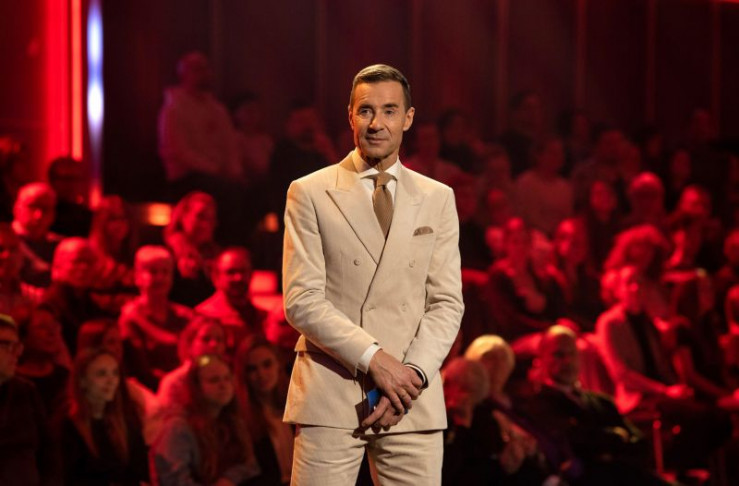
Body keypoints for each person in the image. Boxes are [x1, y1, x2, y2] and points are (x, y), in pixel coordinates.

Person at [282, 64, 464, 484]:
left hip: (412, 398)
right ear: (350, 116)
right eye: (366, 111)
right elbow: (301, 300)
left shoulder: (437, 197)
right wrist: (375, 360)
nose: (376, 123)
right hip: (330, 392)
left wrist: (412, 375)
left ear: (408, 118)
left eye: (389, 111)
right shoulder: (309, 191)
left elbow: (446, 303)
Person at [522, 325, 669, 486]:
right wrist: (617, 439)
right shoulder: (539, 404)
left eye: (572, 353)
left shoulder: (602, 402)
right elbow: (575, 441)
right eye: (559, 354)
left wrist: (608, 447)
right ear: (541, 358)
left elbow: (641, 444)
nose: (568, 361)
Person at [151, 353, 260, 485]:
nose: (223, 385)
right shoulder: (178, 428)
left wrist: (229, 478)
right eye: (214, 380)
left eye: (227, 378)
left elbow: (250, 464)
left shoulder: (231, 420)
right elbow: (175, 481)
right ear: (196, 387)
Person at [59, 348, 149, 485]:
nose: (111, 380)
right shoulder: (66, 426)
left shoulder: (126, 420)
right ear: (82, 380)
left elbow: (139, 472)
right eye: (101, 374)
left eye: (115, 373)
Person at [119, 246, 193, 390]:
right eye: (153, 271)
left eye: (165, 272)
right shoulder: (129, 318)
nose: (160, 278)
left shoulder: (185, 315)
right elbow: (140, 370)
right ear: (137, 276)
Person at [0, 315, 59, 486]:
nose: (16, 353)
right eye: (6, 345)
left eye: (17, 346)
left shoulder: (25, 391)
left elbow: (48, 455)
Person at [235, 336, 293, 485]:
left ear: (278, 364)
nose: (261, 374)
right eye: (252, 369)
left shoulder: (296, 402)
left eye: (267, 365)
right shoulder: (242, 417)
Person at [196, 247, 267, 355]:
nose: (238, 277)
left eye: (243, 271)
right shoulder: (203, 317)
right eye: (231, 272)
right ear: (216, 276)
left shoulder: (264, 318)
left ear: (251, 274)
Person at [164, 191, 219, 306]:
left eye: (210, 219)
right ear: (183, 216)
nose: (205, 224)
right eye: (200, 216)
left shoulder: (216, 255)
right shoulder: (166, 252)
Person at [12, 182, 62, 288]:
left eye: (45, 209)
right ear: (16, 208)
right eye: (32, 206)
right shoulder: (4, 242)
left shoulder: (61, 246)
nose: (38, 215)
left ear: (54, 213)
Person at [47, 156, 93, 237]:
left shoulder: (87, 216)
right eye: (66, 178)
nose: (72, 184)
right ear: (52, 180)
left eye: (76, 178)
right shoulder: (44, 213)